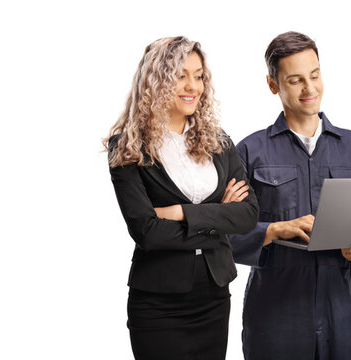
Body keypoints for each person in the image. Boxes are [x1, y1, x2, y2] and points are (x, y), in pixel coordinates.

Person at [104, 36, 259, 360]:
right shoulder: (127, 147)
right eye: (180, 75)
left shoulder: (219, 142)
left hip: (214, 297)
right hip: (159, 304)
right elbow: (147, 232)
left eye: (199, 75)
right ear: (156, 80)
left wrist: (179, 212)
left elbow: (247, 215)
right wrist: (219, 219)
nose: (193, 86)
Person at [228, 31, 351, 360]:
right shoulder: (250, 152)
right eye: (295, 80)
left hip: (338, 311)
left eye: (315, 75)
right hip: (275, 316)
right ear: (273, 84)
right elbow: (226, 236)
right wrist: (273, 229)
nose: (310, 89)